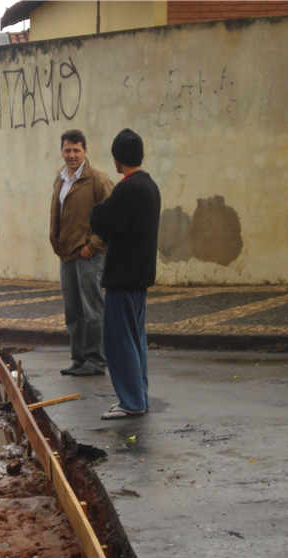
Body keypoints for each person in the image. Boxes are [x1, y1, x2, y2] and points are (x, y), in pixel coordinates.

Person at [88, 128, 161, 419]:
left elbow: (102, 221)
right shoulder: (149, 185)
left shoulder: (128, 188)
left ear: (118, 158)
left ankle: (131, 401)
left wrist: (95, 209)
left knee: (119, 341)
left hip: (123, 276)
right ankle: (139, 395)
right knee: (135, 339)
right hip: (139, 275)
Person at [49, 129, 114, 377]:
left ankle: (95, 360)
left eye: (76, 150)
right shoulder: (61, 177)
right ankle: (79, 358)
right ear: (62, 151)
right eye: (67, 150)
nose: (72, 155)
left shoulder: (98, 179)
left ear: (85, 151)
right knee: (73, 310)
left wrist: (94, 245)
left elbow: (112, 217)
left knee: (92, 309)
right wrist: (56, 241)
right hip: (67, 254)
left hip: (88, 254)